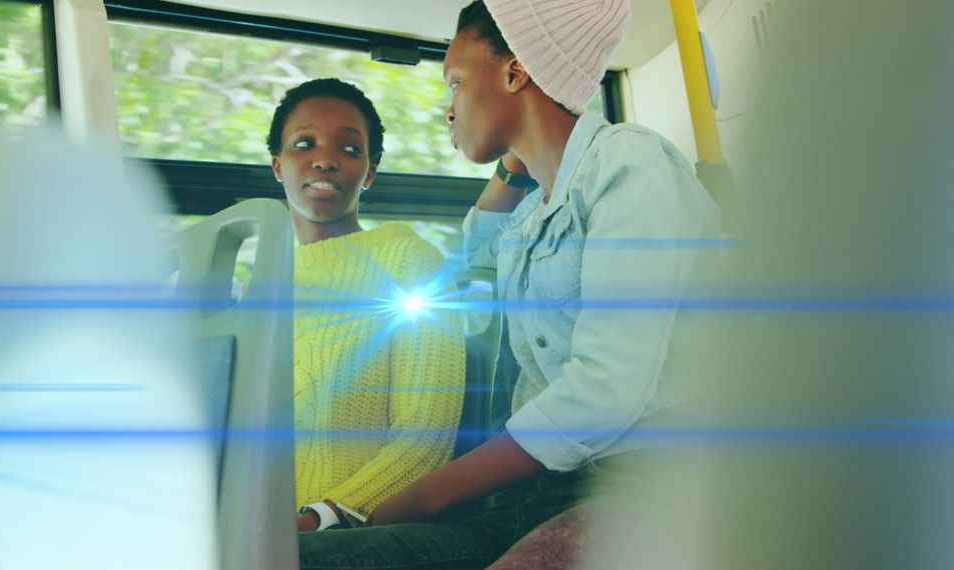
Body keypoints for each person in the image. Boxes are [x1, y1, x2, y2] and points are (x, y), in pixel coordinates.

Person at [299, 1, 720, 568]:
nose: (449, 111)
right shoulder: (531, 218)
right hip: (532, 498)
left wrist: (426, 493)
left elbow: (604, 390)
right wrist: (516, 163)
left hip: (642, 484)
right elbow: (471, 254)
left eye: (455, 82)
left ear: (515, 71)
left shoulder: (630, 166)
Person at [266, 78, 466, 533]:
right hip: (265, 529)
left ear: (369, 173)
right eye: (304, 144)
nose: (325, 159)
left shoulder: (407, 258)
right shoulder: (265, 287)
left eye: (350, 150)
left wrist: (321, 517)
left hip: (358, 528)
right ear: (278, 166)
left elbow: (425, 438)